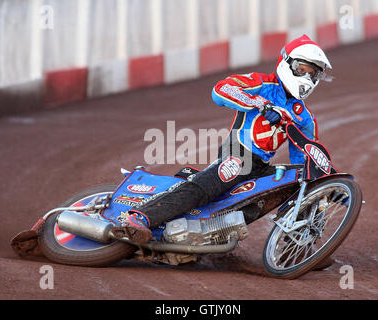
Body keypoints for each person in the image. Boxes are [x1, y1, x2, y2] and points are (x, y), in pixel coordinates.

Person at [116, 34, 333, 244]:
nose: (307, 78)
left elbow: (303, 158)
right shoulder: (263, 84)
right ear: (288, 64)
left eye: (313, 74)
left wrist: (325, 182)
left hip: (261, 165)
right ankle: (140, 217)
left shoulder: (305, 117)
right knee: (215, 181)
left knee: (297, 179)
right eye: (302, 70)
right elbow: (221, 90)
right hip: (237, 152)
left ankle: (300, 245)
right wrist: (260, 104)